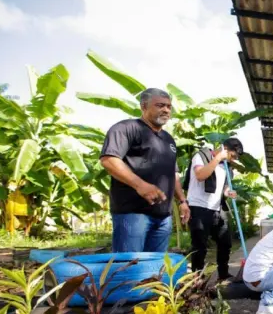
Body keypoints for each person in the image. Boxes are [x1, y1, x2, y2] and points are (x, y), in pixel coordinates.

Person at [100, 88, 190, 253]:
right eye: (160, 105)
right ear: (144, 106)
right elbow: (109, 160)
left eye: (169, 106)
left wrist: (183, 201)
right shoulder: (126, 128)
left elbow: (173, 173)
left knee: (154, 270)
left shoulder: (168, 139)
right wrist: (140, 185)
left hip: (163, 216)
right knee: (129, 267)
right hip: (132, 214)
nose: (166, 110)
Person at [186, 137, 243, 281]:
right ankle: (197, 278)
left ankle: (223, 274)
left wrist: (229, 192)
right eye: (232, 156)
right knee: (200, 245)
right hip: (199, 207)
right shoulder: (201, 156)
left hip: (217, 209)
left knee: (225, 243)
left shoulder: (227, 167)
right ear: (224, 148)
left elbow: (224, 189)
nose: (232, 160)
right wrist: (218, 158)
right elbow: (200, 175)